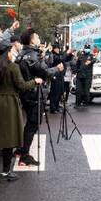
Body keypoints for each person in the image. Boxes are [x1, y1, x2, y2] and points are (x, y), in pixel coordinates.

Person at [0, 41, 42, 181]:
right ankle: (5, 172)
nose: (13, 53)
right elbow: (21, 85)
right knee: (8, 137)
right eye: (11, 51)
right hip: (10, 102)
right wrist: (36, 81)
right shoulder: (13, 67)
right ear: (7, 52)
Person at [16, 28, 63, 166]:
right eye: (36, 37)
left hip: (26, 92)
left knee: (29, 123)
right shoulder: (32, 55)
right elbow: (45, 72)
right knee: (32, 124)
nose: (38, 38)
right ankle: (24, 155)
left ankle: (21, 149)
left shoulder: (21, 53)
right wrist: (57, 68)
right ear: (31, 39)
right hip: (34, 93)